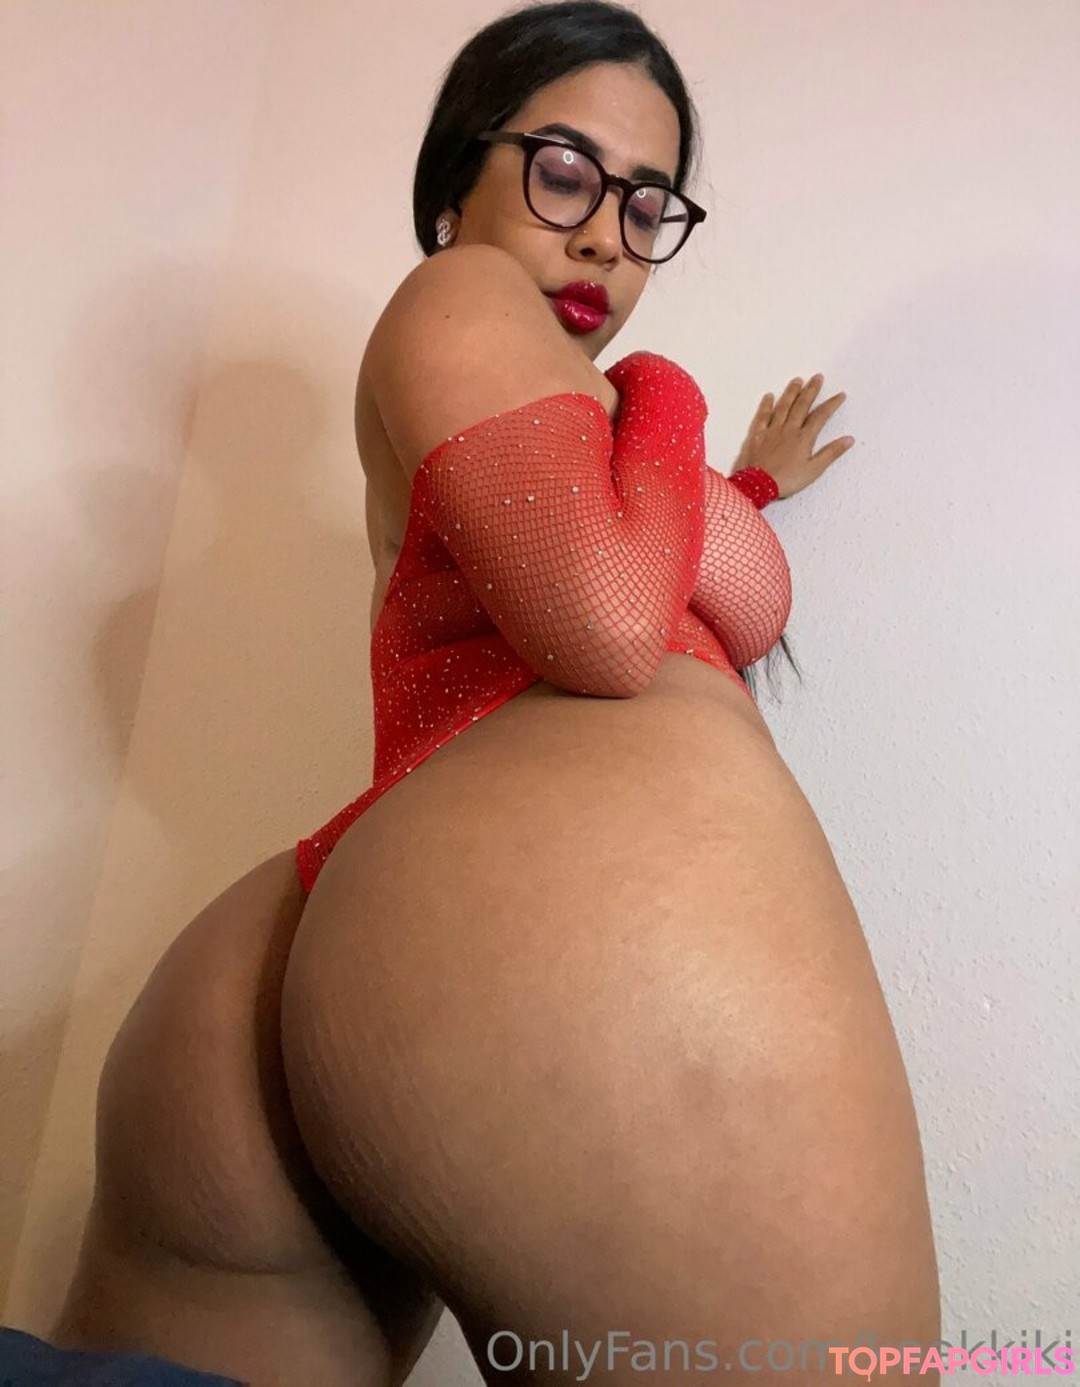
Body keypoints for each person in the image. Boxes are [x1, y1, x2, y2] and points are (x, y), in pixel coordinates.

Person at [27, 4, 940, 1385]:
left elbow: (639, 560)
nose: (605, 238)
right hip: (522, 924)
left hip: (327, 952)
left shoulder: (548, 409)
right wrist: (666, 391)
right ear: (459, 174)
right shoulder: (461, 295)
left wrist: (742, 487)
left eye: (647, 205)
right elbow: (607, 623)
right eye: (565, 171)